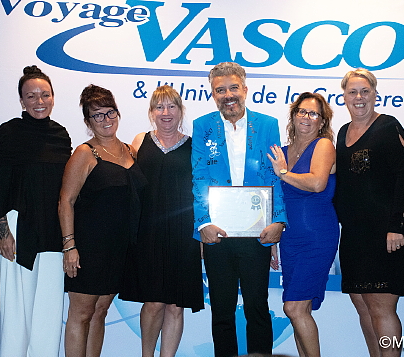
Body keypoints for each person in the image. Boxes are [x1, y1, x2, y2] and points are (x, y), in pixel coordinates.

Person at [0, 65, 72, 357]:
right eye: (31, 96)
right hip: (16, 233)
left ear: (53, 97)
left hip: (52, 234)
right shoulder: (8, 134)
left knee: (49, 312)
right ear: (21, 101)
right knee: (16, 314)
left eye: (45, 94)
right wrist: (2, 232)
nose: (39, 101)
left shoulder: (61, 135)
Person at [192, 62, 288, 357]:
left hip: (256, 232)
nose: (228, 95)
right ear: (213, 94)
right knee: (221, 309)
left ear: (245, 89)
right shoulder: (202, 125)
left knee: (257, 306)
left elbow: (275, 175)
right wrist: (203, 222)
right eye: (220, 90)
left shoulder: (268, 124)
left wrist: (279, 221)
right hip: (217, 234)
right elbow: (199, 176)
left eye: (233, 87)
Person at [58, 84, 146, 357]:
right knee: (81, 313)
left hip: (119, 249)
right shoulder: (85, 154)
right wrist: (69, 247)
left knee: (100, 312)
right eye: (98, 115)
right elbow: (65, 202)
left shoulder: (131, 150)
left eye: (110, 113)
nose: (106, 120)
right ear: (88, 121)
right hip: (89, 249)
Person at [119, 85, 204, 357]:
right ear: (151, 112)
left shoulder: (195, 146)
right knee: (154, 302)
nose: (166, 113)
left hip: (184, 234)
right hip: (147, 232)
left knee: (176, 305)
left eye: (172, 107)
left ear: (181, 111)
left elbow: (202, 191)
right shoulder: (138, 142)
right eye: (159, 107)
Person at [334, 68, 404, 357]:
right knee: (362, 305)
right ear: (344, 97)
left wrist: (397, 226)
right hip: (354, 236)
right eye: (352, 92)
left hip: (385, 234)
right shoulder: (342, 132)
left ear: (375, 94)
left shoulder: (388, 126)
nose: (359, 97)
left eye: (365, 91)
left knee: (381, 306)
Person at [267, 92, 339, 357]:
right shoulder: (282, 153)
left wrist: (284, 173)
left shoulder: (323, 145)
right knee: (299, 309)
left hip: (317, 236)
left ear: (321, 121)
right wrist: (273, 239)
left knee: (293, 308)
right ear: (294, 115)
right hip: (289, 238)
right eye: (302, 111)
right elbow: (276, 199)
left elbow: (318, 183)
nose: (307, 118)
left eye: (314, 113)